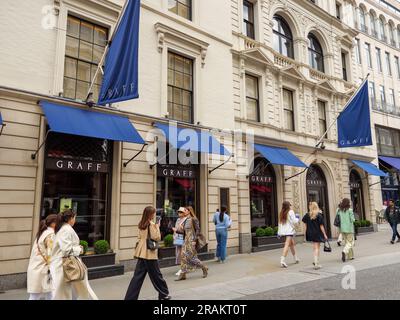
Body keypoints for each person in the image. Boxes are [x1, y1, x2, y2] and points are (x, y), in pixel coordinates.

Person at [125, 206, 170, 300]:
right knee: (157, 275)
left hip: (141, 252)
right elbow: (157, 237)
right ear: (150, 214)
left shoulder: (142, 224)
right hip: (149, 253)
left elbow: (140, 237)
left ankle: (130, 298)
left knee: (137, 277)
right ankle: (164, 294)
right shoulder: (151, 224)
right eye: (153, 213)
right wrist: (157, 226)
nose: (154, 215)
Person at [51, 210, 98, 300]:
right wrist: (79, 249)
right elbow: (66, 250)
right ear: (70, 218)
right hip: (65, 265)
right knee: (66, 294)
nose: (75, 220)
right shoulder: (66, 229)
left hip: (65, 265)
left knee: (68, 293)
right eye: (75, 218)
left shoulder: (64, 229)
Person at [27, 214, 58, 300]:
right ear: (53, 223)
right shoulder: (50, 235)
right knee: (36, 296)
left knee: (49, 293)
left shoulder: (42, 233)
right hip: (42, 270)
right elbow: (50, 254)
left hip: (37, 268)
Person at [175, 207, 208, 281]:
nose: (184, 211)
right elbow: (185, 232)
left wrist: (195, 240)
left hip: (192, 240)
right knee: (183, 257)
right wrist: (177, 230)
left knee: (192, 258)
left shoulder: (194, 219)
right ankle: (183, 275)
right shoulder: (185, 220)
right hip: (185, 241)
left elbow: (198, 230)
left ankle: (204, 267)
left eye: (185, 210)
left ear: (189, 211)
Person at [302, 202, 328, 270]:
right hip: (317, 233)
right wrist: (325, 234)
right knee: (317, 248)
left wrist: (305, 233)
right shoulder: (319, 215)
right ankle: (316, 263)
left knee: (314, 247)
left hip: (310, 233)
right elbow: (321, 226)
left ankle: (315, 261)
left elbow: (305, 224)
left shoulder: (307, 215)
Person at [278, 201, 300, 268]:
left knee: (292, 244)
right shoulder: (290, 212)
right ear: (288, 206)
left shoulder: (281, 213)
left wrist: (279, 232)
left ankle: (296, 258)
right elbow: (294, 221)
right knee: (287, 245)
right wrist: (297, 217)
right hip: (289, 231)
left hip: (284, 231)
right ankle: (282, 260)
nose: (290, 206)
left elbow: (280, 223)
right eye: (289, 205)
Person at [173, 208, 185, 276]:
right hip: (178, 238)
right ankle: (183, 267)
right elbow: (176, 228)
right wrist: (174, 235)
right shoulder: (178, 220)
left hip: (183, 238)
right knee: (178, 253)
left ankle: (182, 269)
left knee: (182, 254)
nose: (179, 214)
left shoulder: (186, 220)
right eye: (179, 212)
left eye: (181, 212)